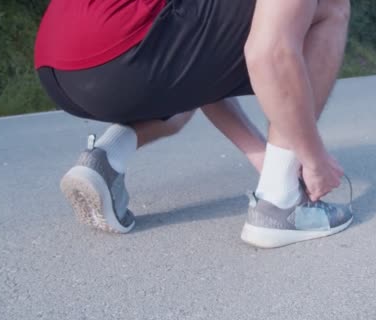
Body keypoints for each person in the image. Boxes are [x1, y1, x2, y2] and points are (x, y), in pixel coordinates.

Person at [35, 0, 353, 248]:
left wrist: (259, 154)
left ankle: (108, 156)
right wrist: (314, 159)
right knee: (330, 6)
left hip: (59, 65)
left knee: (187, 60)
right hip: (119, 49)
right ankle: (283, 203)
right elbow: (271, 54)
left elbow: (200, 71)